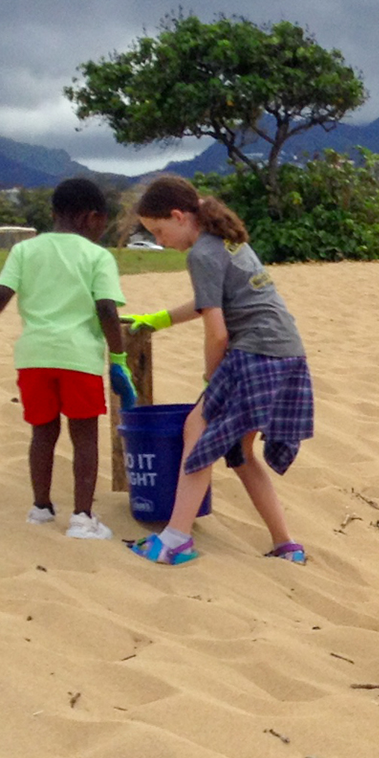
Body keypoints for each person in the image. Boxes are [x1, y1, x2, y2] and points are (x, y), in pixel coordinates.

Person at [124, 176, 313, 566]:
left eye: (159, 231)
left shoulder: (201, 254)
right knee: (240, 452)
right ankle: (286, 544)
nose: (159, 241)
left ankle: (176, 537)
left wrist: (212, 377)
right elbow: (210, 300)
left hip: (255, 351)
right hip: (287, 351)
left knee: (197, 427)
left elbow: (217, 333)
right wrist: (159, 319)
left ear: (179, 216)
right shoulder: (224, 238)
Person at [0, 178, 134, 539]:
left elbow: (0, 294)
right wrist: (118, 359)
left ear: (54, 214)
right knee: (84, 436)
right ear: (91, 218)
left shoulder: (25, 250)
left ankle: (41, 508)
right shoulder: (98, 256)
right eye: (102, 222)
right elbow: (106, 310)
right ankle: (82, 518)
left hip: (33, 357)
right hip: (79, 358)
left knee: (43, 431)